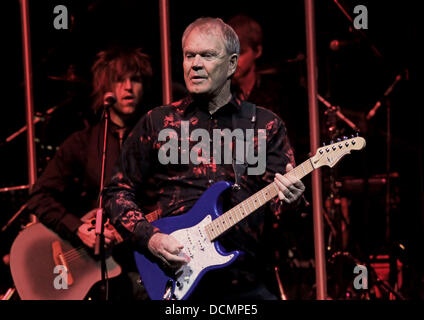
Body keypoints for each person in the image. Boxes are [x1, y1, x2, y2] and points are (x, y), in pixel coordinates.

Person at [103, 17, 305, 300]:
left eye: (207, 55)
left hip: (246, 281)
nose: (195, 64)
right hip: (175, 276)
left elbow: (280, 210)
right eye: (189, 55)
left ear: (232, 64)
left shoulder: (264, 125)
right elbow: (116, 192)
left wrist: (291, 200)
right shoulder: (158, 122)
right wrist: (149, 237)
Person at [25, 46, 153, 300]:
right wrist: (77, 228)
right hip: (96, 271)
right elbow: (39, 195)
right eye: (119, 80)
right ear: (105, 86)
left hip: (142, 263)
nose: (128, 87)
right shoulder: (83, 143)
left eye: (135, 79)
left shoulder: (156, 140)